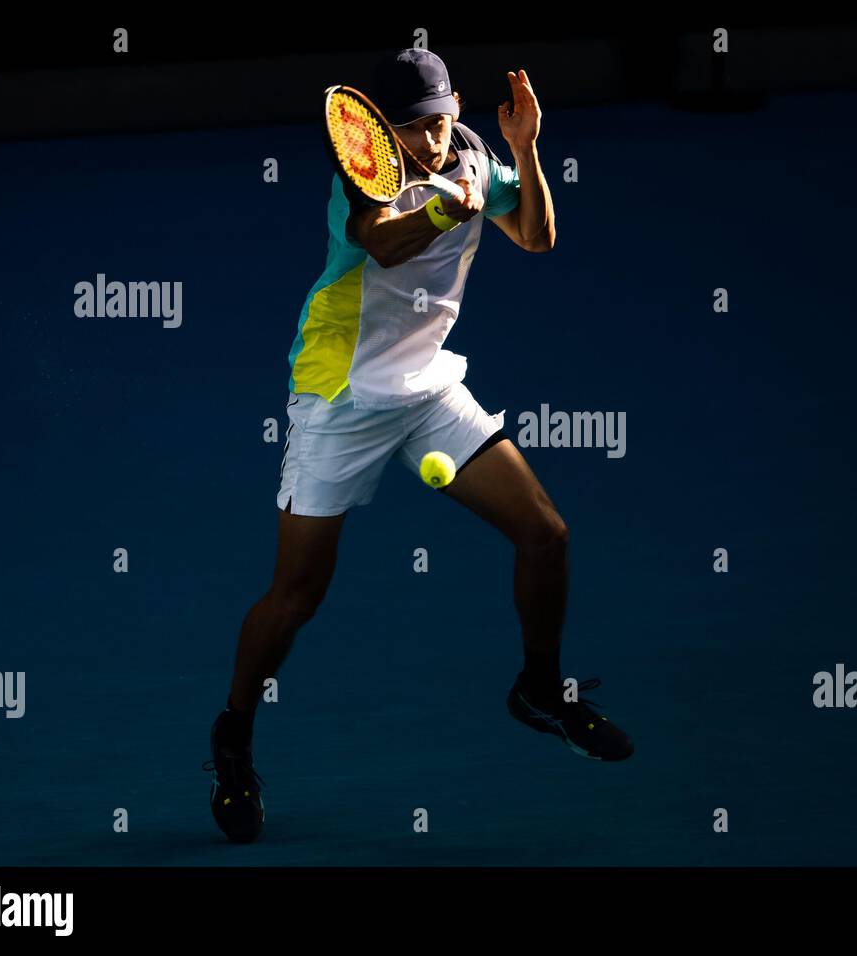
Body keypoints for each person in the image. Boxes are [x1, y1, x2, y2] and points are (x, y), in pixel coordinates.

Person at [203, 49, 634, 844]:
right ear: (380, 129)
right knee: (297, 595)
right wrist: (445, 208)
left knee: (546, 535)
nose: (432, 143)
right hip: (340, 399)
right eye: (413, 130)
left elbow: (535, 237)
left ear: (455, 107)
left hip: (428, 388)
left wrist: (527, 150)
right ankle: (233, 738)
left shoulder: (470, 153)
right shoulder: (361, 177)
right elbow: (385, 242)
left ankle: (540, 688)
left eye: (440, 123)